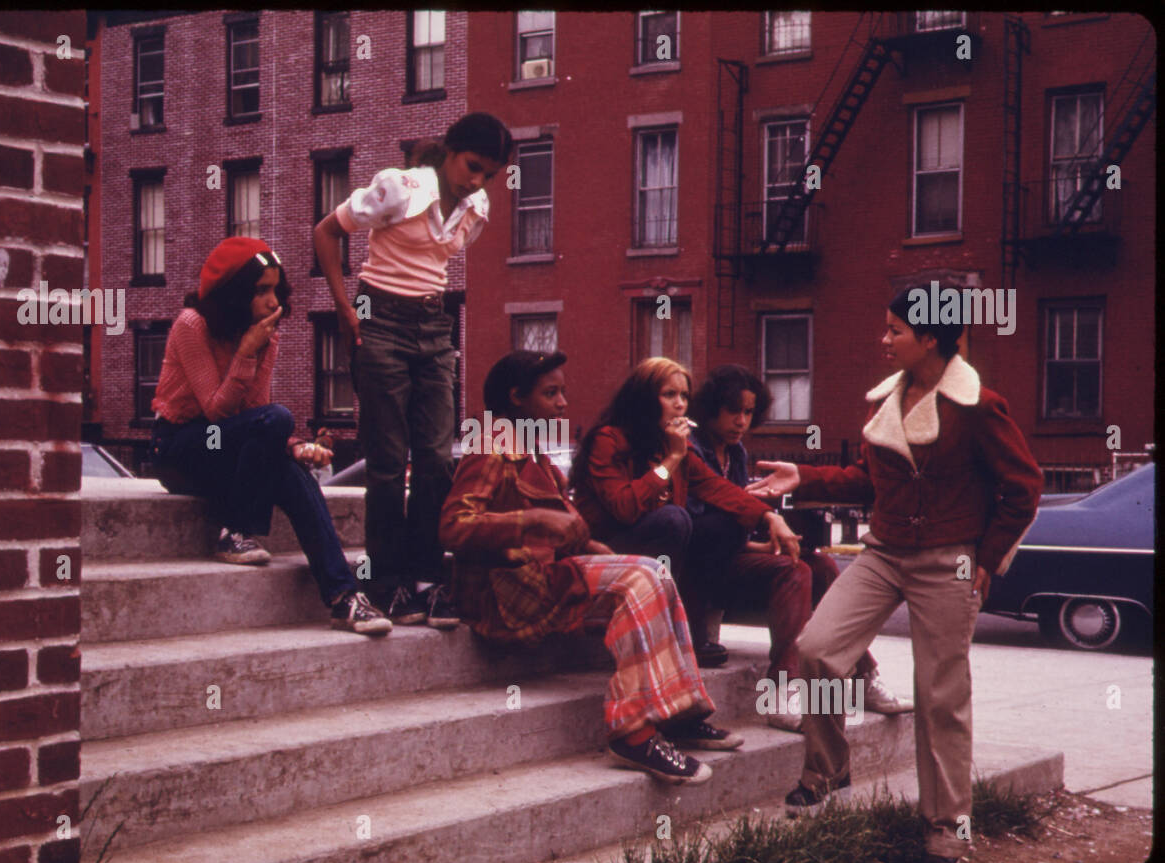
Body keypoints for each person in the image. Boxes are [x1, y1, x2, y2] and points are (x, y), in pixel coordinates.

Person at [748, 287, 1043, 863]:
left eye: (894, 331)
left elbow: (1024, 486)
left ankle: (946, 831)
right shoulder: (888, 400)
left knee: (941, 696)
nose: (883, 341)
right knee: (817, 649)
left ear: (929, 337)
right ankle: (828, 772)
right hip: (882, 552)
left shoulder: (978, 405)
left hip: (947, 560)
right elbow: (868, 480)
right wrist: (801, 477)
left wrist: (986, 559)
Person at [440, 351, 744, 785]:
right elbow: (453, 527)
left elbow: (562, 527)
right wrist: (535, 522)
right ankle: (632, 734)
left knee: (653, 571)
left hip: (542, 578)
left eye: (563, 391)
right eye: (551, 393)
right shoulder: (491, 448)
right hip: (505, 591)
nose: (564, 403)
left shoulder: (533, 453)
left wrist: (590, 544)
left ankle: (679, 714)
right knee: (640, 576)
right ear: (515, 398)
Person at [314, 112, 513, 629]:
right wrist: (342, 307)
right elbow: (326, 232)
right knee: (386, 459)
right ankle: (384, 582)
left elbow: (438, 263)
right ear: (450, 151)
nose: (476, 181)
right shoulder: (399, 188)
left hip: (433, 324)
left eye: (487, 174)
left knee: (435, 458)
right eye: (472, 167)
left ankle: (425, 579)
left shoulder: (477, 207)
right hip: (378, 318)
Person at [149, 236, 391, 636]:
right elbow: (215, 408)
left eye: (276, 289)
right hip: (178, 448)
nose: (272, 300)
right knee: (277, 421)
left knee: (290, 469)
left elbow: (255, 415)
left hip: (228, 447)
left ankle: (344, 597)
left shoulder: (265, 335)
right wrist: (246, 353)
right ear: (235, 292)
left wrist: (296, 447)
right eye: (261, 290)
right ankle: (238, 530)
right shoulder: (191, 325)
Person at [686, 365, 911, 731]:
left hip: (733, 560)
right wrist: (764, 524)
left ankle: (862, 674)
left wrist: (765, 546)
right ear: (711, 407)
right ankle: (782, 689)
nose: (741, 420)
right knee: (794, 571)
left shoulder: (736, 454)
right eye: (733, 411)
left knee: (818, 565)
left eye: (748, 412)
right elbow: (705, 525)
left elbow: (737, 530)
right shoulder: (691, 450)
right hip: (700, 573)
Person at [568, 357, 801, 669]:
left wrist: (770, 517)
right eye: (669, 395)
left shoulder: (674, 446)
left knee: (720, 525)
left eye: (684, 396)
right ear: (644, 398)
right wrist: (672, 459)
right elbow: (623, 507)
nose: (680, 405)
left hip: (657, 550)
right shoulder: (609, 439)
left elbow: (718, 488)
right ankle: (650, 623)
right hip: (607, 547)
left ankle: (690, 629)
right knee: (674, 519)